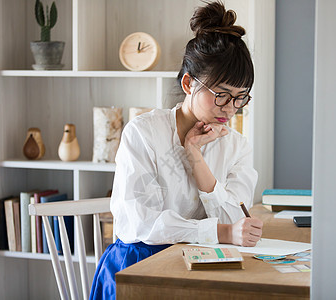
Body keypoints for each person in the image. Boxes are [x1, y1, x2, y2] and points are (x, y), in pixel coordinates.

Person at [89, 1, 263, 298]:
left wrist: (195, 157)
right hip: (139, 266)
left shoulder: (236, 146)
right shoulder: (143, 133)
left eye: (240, 98)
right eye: (221, 95)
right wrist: (219, 233)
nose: (230, 109)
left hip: (203, 265)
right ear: (188, 83)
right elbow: (142, 223)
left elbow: (237, 221)